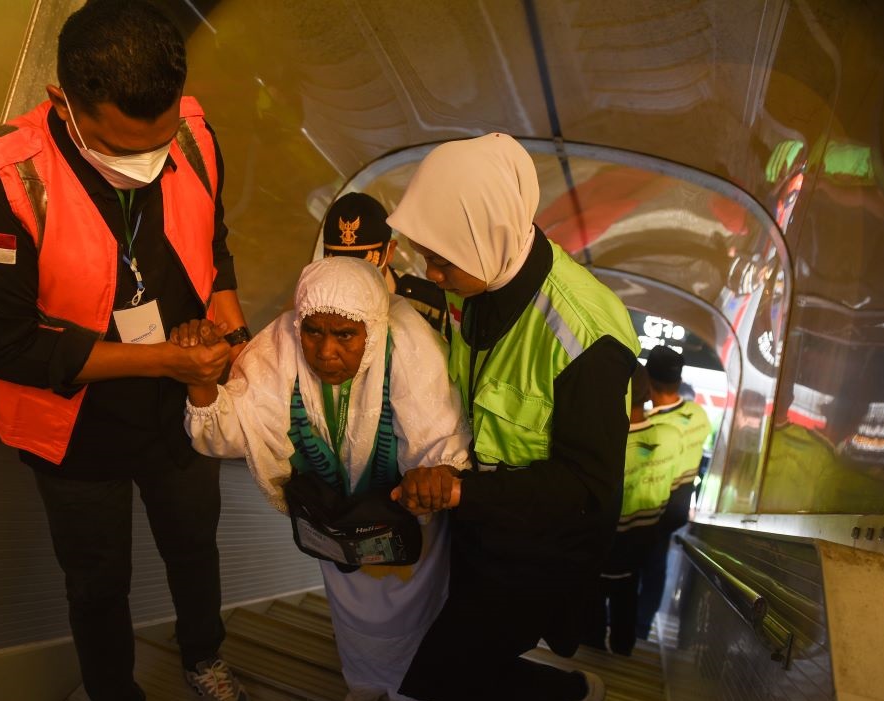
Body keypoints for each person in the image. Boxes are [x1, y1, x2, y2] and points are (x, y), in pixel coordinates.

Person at [0, 2, 250, 699]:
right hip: (73, 428)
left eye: (161, 141)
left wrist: (223, 300)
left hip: (181, 408)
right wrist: (161, 359)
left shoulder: (196, 134)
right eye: (122, 148)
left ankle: (204, 657)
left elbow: (214, 233)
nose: (148, 165)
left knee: (194, 545)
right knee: (96, 578)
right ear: (64, 103)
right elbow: (3, 345)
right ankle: (113, 690)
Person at [386, 133, 641, 701]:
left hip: (544, 550)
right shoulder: (478, 281)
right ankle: (572, 691)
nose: (434, 270)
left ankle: (571, 691)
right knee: (473, 673)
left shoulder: (586, 336)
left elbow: (587, 489)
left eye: (442, 258)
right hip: (483, 529)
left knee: (436, 679)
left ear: (487, 234)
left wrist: (460, 494)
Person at [181, 256, 472, 701]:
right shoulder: (282, 341)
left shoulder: (409, 341)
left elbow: (439, 435)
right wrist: (200, 379)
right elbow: (230, 428)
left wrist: (438, 472)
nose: (325, 351)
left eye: (345, 335)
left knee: (419, 623)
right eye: (314, 331)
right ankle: (365, 684)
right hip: (332, 520)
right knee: (353, 620)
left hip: (410, 537)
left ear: (372, 328)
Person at [582, 365, 681, 656]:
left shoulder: (604, 444)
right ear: (648, 393)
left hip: (602, 544)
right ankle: (623, 650)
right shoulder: (671, 437)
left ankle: (594, 655)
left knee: (594, 602)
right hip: (641, 544)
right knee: (628, 598)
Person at [635, 346, 711, 640]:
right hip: (675, 510)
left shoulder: (652, 426)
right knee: (655, 568)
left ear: (647, 380)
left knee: (627, 571)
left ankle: (622, 626)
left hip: (645, 508)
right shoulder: (699, 416)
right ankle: (641, 628)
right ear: (678, 382)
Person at [322, 192, 449, 334]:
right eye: (340, 265)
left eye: (364, 265)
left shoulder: (431, 303)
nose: (351, 276)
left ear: (390, 251)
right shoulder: (313, 305)